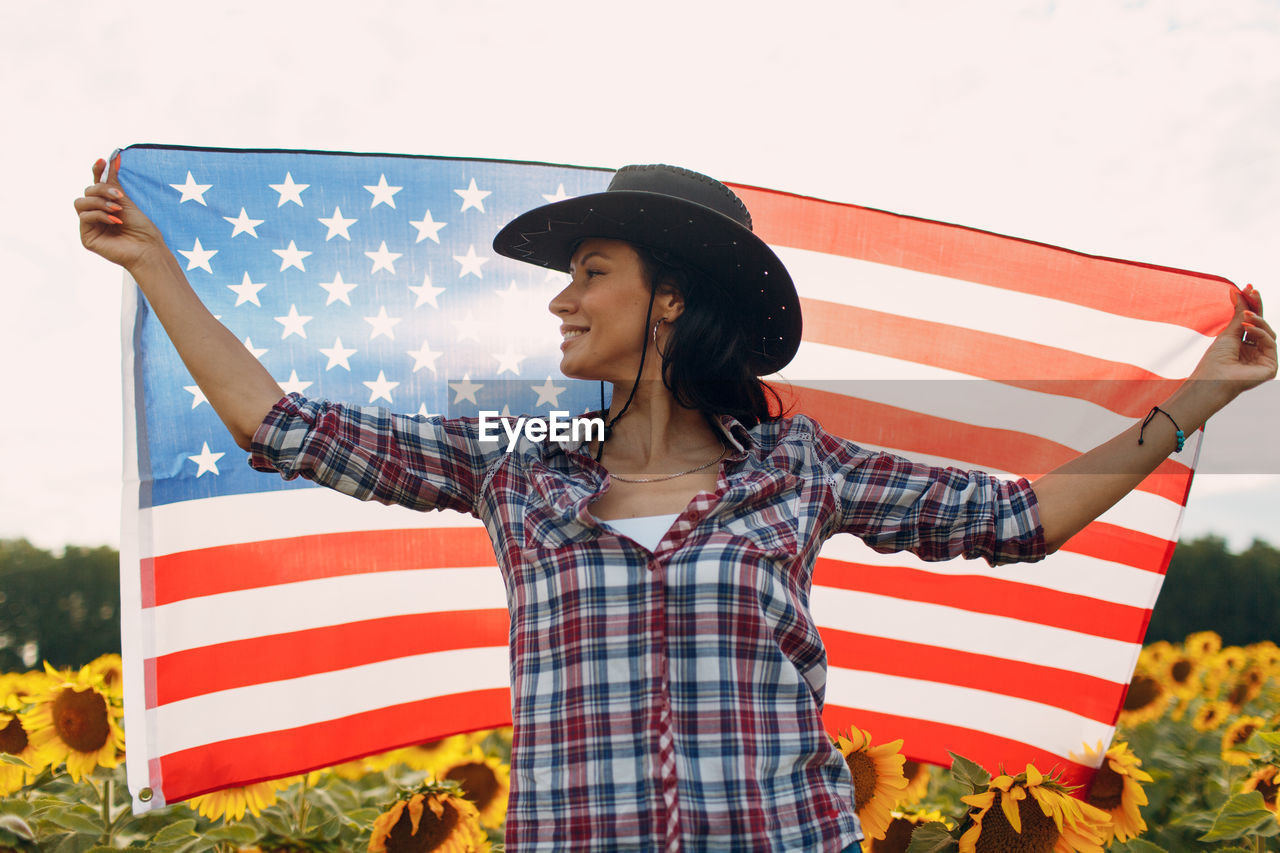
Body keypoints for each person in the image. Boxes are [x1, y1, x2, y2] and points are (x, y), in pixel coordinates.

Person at [77, 157, 1274, 852]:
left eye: (589, 271)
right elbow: (280, 427)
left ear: (667, 302)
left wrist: (1199, 395)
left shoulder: (798, 468)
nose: (560, 302)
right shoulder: (516, 462)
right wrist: (156, 269)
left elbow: (1022, 520)